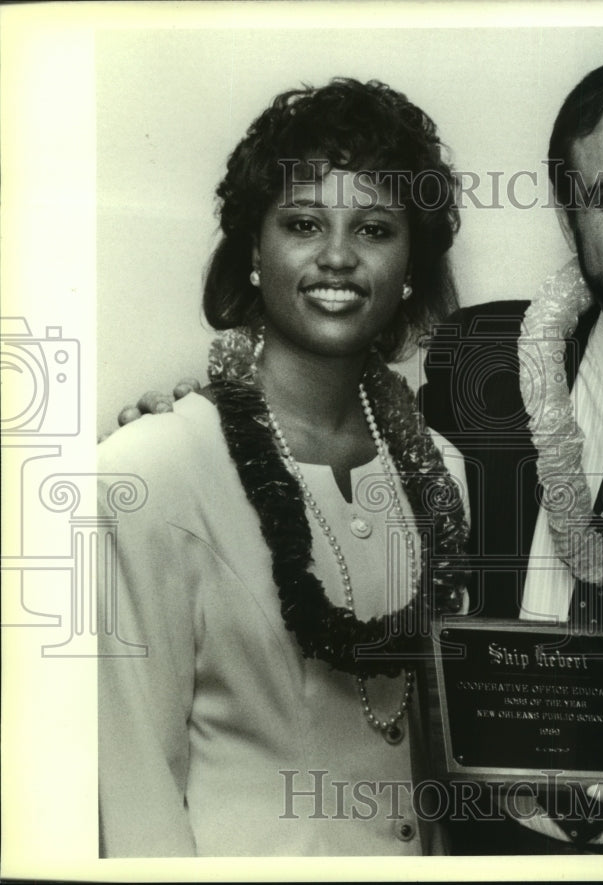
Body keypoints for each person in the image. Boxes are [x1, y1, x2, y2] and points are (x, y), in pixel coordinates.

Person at [121, 52, 603, 855]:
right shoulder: (480, 359)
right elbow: (342, 443)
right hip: (481, 855)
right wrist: (219, 425)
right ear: (568, 215)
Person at [98, 77, 469, 857]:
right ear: (255, 255)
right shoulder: (151, 472)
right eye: (303, 222)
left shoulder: (446, 476)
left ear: (409, 270)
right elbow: (132, 787)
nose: (338, 256)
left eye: (374, 228)